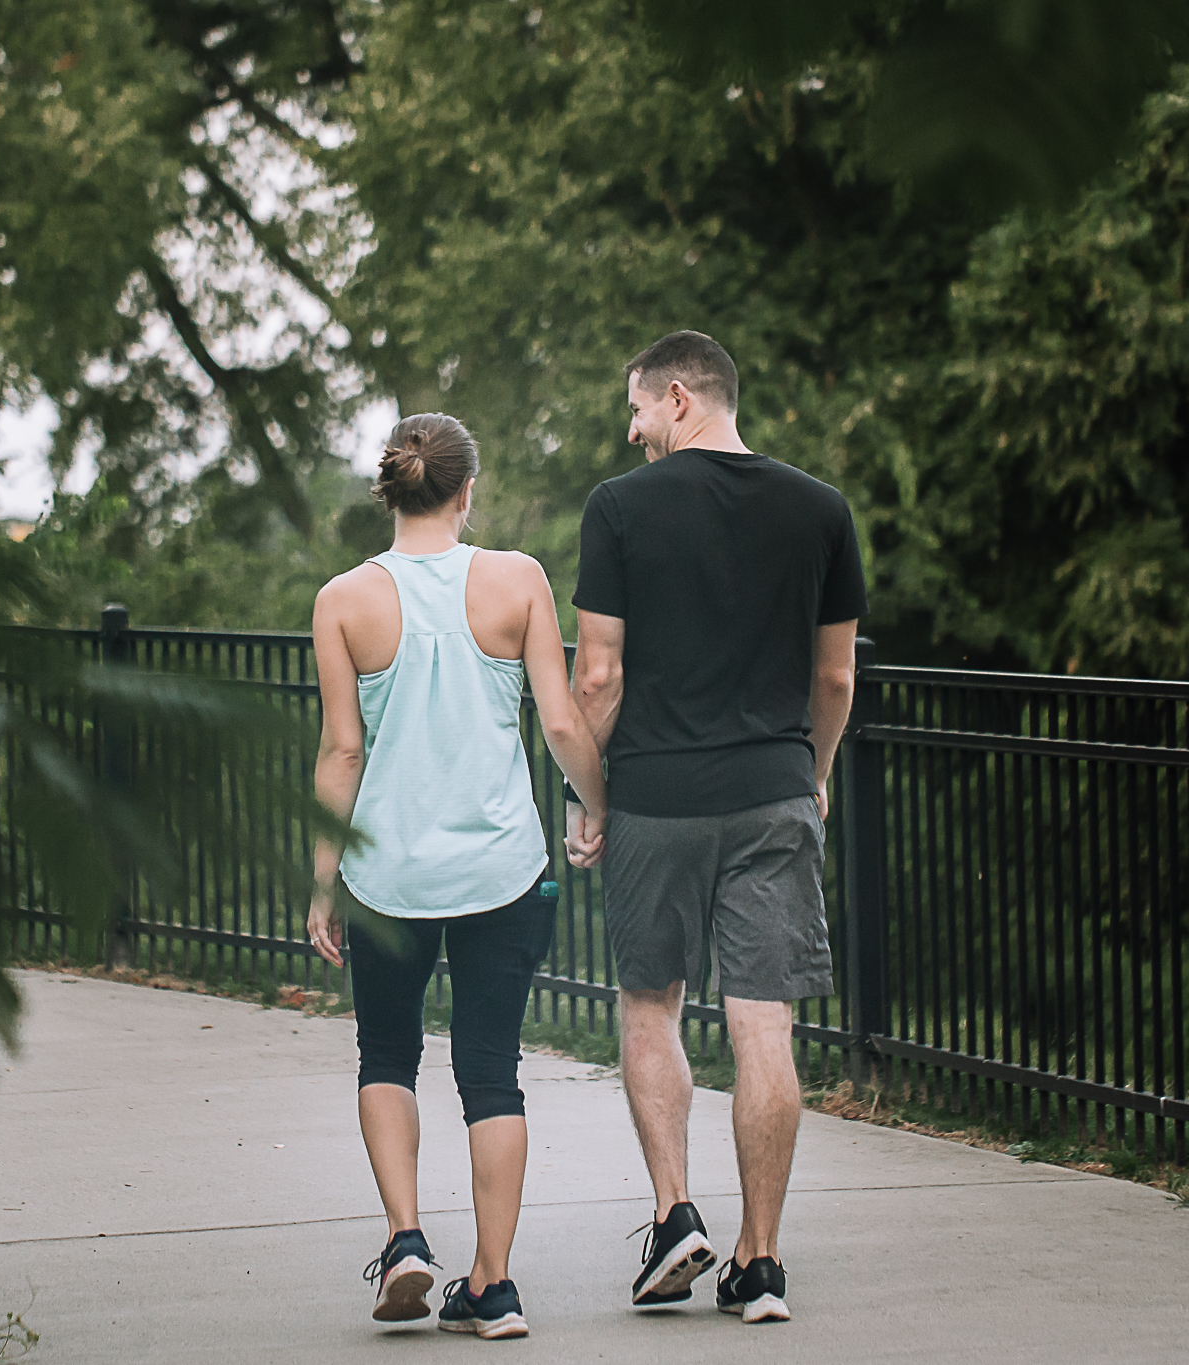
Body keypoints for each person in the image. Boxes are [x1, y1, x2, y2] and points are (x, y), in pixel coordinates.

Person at [563, 331, 864, 1325]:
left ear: (680, 396)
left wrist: (589, 800)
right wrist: (809, 774)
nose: (633, 429)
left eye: (638, 408)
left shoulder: (615, 507)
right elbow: (833, 677)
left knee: (648, 1006)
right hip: (773, 787)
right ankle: (760, 1261)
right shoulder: (821, 509)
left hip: (654, 795)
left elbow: (596, 677)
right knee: (762, 1021)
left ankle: (672, 1218)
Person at [306, 412, 608, 1340]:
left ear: (390, 489)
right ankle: (494, 1283)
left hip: (388, 875)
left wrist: (323, 880)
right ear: (467, 490)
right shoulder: (518, 580)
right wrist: (597, 803)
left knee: (386, 1055)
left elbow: (341, 753)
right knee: (491, 1070)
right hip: (501, 868)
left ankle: (405, 1242)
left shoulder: (343, 600)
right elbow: (560, 722)